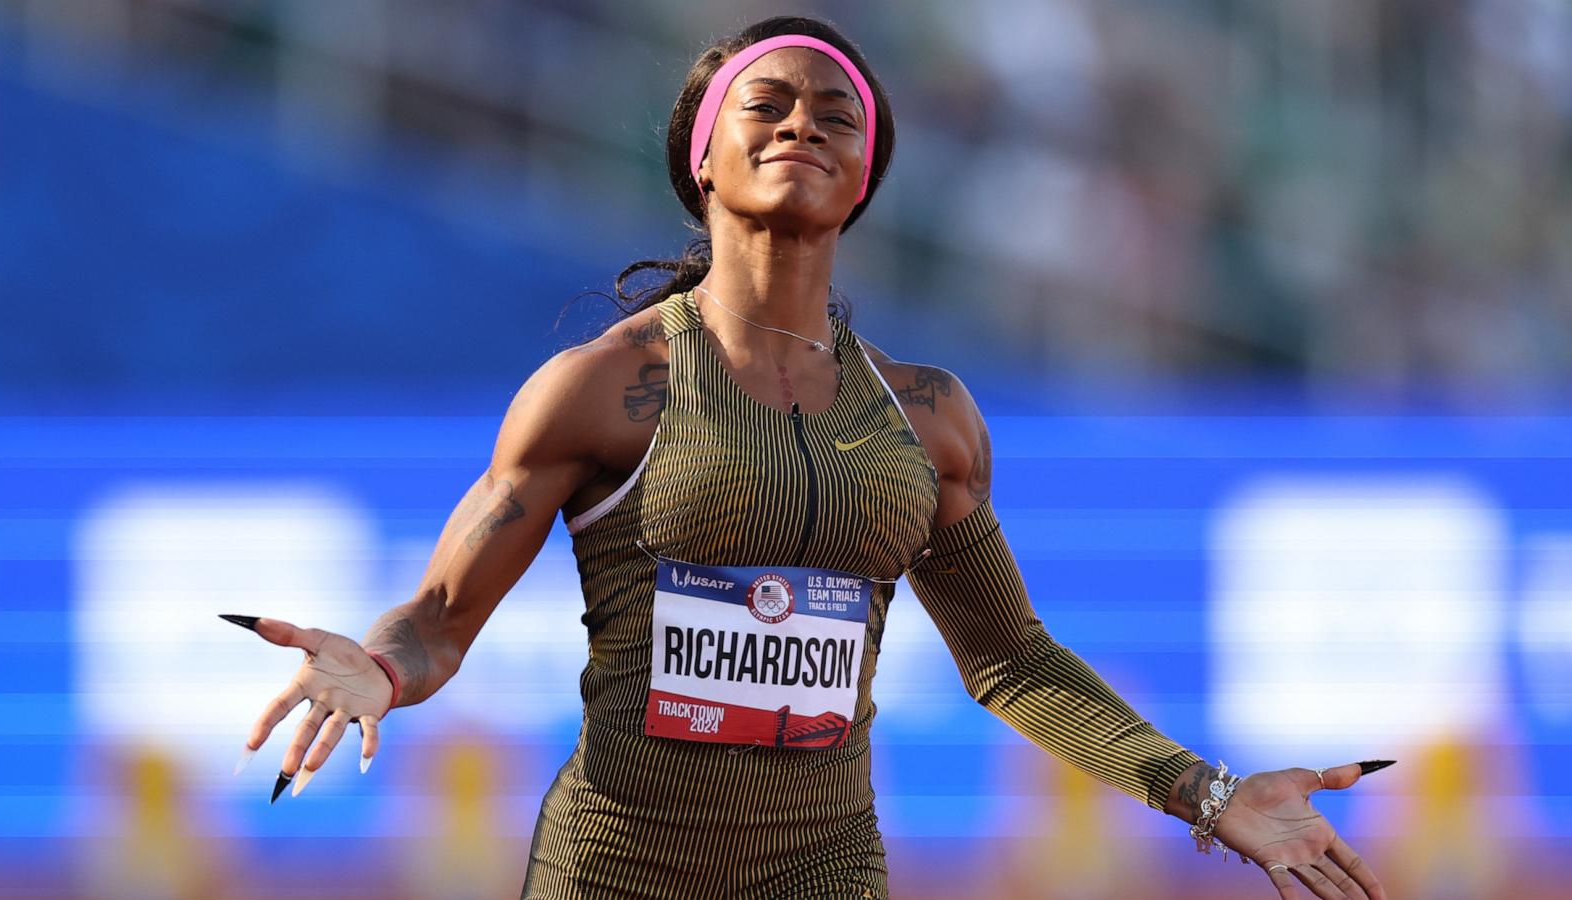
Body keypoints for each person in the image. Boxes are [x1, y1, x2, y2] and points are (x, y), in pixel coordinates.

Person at [225, 16, 1389, 900]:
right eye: (766, 107)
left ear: (865, 178)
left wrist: (1209, 794)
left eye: (835, 117)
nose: (800, 126)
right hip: (615, 871)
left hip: (826, 874)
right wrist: (375, 669)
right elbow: (436, 616)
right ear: (703, 159)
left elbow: (1011, 661)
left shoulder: (928, 419)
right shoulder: (603, 390)